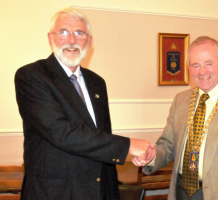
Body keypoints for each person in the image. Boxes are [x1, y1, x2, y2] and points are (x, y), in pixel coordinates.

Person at [15, 7, 154, 200]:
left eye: (79, 33)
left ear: (89, 41)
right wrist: (127, 146)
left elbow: (102, 138)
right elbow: (62, 132)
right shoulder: (32, 76)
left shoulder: (97, 82)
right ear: (50, 38)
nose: (72, 40)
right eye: (63, 32)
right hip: (54, 193)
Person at [132, 36, 218, 200]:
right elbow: (168, 145)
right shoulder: (181, 100)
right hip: (181, 193)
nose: (202, 71)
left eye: (209, 63)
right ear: (189, 68)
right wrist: (152, 157)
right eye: (196, 65)